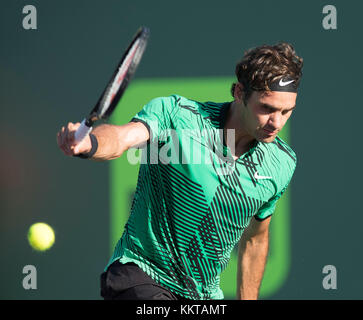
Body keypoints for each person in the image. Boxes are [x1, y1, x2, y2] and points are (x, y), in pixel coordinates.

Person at [57, 42, 303, 300]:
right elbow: (120, 138)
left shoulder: (281, 163)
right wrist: (90, 143)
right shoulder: (176, 115)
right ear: (240, 92)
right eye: (267, 108)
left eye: (287, 111)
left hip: (203, 296)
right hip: (141, 274)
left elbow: (255, 240)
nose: (277, 122)